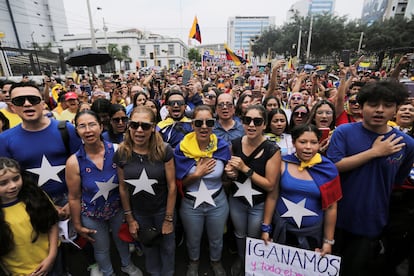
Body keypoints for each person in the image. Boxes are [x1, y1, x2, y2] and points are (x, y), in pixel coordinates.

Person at [326, 80, 414, 275]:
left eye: (387, 105)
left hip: (371, 222)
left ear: (396, 109)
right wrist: (375, 152)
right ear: (361, 106)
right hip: (334, 218)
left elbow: (397, 180)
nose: (380, 110)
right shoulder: (344, 132)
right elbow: (334, 166)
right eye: (373, 104)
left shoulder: (407, 144)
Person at [65, 110, 142, 276]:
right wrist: (77, 225)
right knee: (101, 248)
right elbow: (74, 197)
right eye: (82, 126)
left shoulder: (118, 150)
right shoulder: (73, 162)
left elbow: (128, 183)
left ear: (101, 127)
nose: (88, 130)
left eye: (92, 124)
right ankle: (108, 272)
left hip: (118, 209)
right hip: (91, 214)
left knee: (122, 241)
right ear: (77, 130)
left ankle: (126, 265)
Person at [262, 124, 342, 256]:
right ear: (293, 142)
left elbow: (332, 207)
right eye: (303, 142)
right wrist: (266, 228)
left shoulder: (328, 169)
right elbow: (272, 196)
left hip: (312, 235)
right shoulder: (283, 163)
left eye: (314, 142)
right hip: (282, 231)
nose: (308, 147)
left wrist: (328, 241)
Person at [114, 106, 176, 276]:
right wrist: (130, 218)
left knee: (168, 249)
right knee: (149, 250)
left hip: (163, 211)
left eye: (145, 126)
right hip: (139, 214)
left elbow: (172, 186)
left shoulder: (165, 149)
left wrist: (168, 219)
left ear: (153, 127)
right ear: (129, 126)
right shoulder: (121, 153)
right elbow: (123, 187)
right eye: (134, 125)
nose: (139, 130)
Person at [224, 105, 281, 276]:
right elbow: (230, 174)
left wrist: (244, 169)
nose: (251, 125)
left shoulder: (272, 150)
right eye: (247, 120)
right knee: (240, 235)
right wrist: (230, 174)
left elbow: (271, 185)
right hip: (237, 200)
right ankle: (242, 261)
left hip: (259, 204)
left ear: (264, 125)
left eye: (257, 121)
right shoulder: (234, 144)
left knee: (255, 238)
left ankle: (254, 267)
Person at [175, 105, 231, 276]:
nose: (204, 126)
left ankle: (216, 261)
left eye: (209, 122)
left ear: (214, 124)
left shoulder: (222, 147)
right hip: (191, 204)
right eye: (199, 122)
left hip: (218, 202)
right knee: (193, 239)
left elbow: (228, 179)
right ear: (192, 125)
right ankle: (194, 262)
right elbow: (178, 184)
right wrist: (197, 174)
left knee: (216, 239)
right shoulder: (181, 148)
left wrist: (232, 174)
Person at [0, 157, 59, 275]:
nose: (12, 186)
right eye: (3, 183)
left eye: (16, 179)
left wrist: (52, 256)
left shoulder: (36, 196)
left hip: (52, 262)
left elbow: (52, 223)